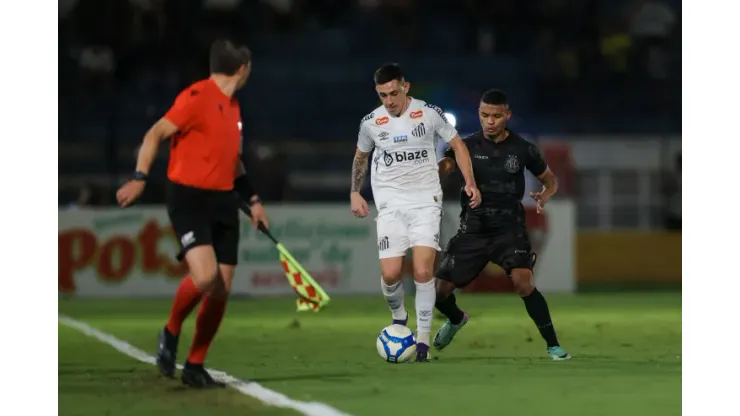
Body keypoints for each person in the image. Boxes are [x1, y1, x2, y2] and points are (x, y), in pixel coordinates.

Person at [116, 39, 269, 387]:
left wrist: (254, 201)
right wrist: (140, 177)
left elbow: (234, 163)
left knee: (221, 288)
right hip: (189, 199)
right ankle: (171, 330)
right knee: (205, 277)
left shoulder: (233, 107)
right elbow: (155, 133)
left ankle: (195, 364)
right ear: (243, 69)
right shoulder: (196, 97)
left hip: (225, 201)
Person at [350, 63, 481, 362]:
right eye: (383, 95)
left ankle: (421, 342)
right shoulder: (371, 122)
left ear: (405, 87)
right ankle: (399, 317)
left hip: (425, 201)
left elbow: (458, 146)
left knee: (423, 271)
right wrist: (355, 192)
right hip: (390, 205)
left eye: (394, 93)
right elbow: (361, 157)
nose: (389, 101)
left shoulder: (428, 113)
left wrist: (470, 182)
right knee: (391, 273)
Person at [432, 89, 570, 361]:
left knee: (524, 283)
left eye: (496, 116)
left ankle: (553, 346)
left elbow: (551, 180)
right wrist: (440, 171)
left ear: (507, 115)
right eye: (484, 115)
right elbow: (447, 164)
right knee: (439, 293)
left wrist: (545, 194)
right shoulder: (467, 146)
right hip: (473, 228)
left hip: (509, 229)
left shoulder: (523, 149)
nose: (490, 121)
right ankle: (457, 319)